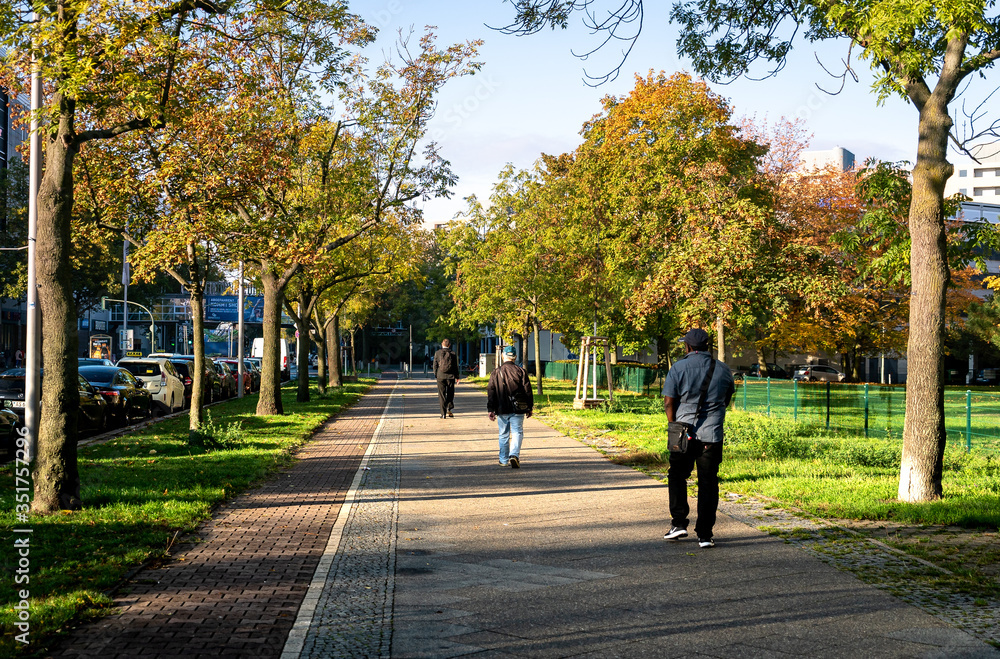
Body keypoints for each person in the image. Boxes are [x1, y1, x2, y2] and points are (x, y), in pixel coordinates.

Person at [662, 328, 735, 548]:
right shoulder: (723, 369)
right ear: (707, 346)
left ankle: (679, 524)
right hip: (712, 434)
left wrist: (673, 425)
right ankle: (705, 534)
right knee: (708, 482)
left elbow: (669, 402)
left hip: (684, 433)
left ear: (688, 346)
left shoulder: (678, 367)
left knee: (677, 476)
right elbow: (727, 397)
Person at [487, 345, 533, 468]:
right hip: (518, 408)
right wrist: (529, 407)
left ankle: (503, 459)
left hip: (501, 408)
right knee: (517, 432)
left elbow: (491, 391)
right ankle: (514, 455)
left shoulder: (496, 372)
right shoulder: (521, 371)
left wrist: (490, 409)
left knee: (503, 434)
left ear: (503, 356)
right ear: (515, 357)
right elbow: (528, 390)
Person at [433, 339, 460, 418]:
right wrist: (457, 377)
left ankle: (443, 413)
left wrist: (436, 374)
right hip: (451, 377)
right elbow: (455, 367)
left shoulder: (437, 353)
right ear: (449, 345)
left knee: (442, 395)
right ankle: (449, 408)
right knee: (450, 393)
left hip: (440, 376)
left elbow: (435, 366)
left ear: (442, 344)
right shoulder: (453, 354)